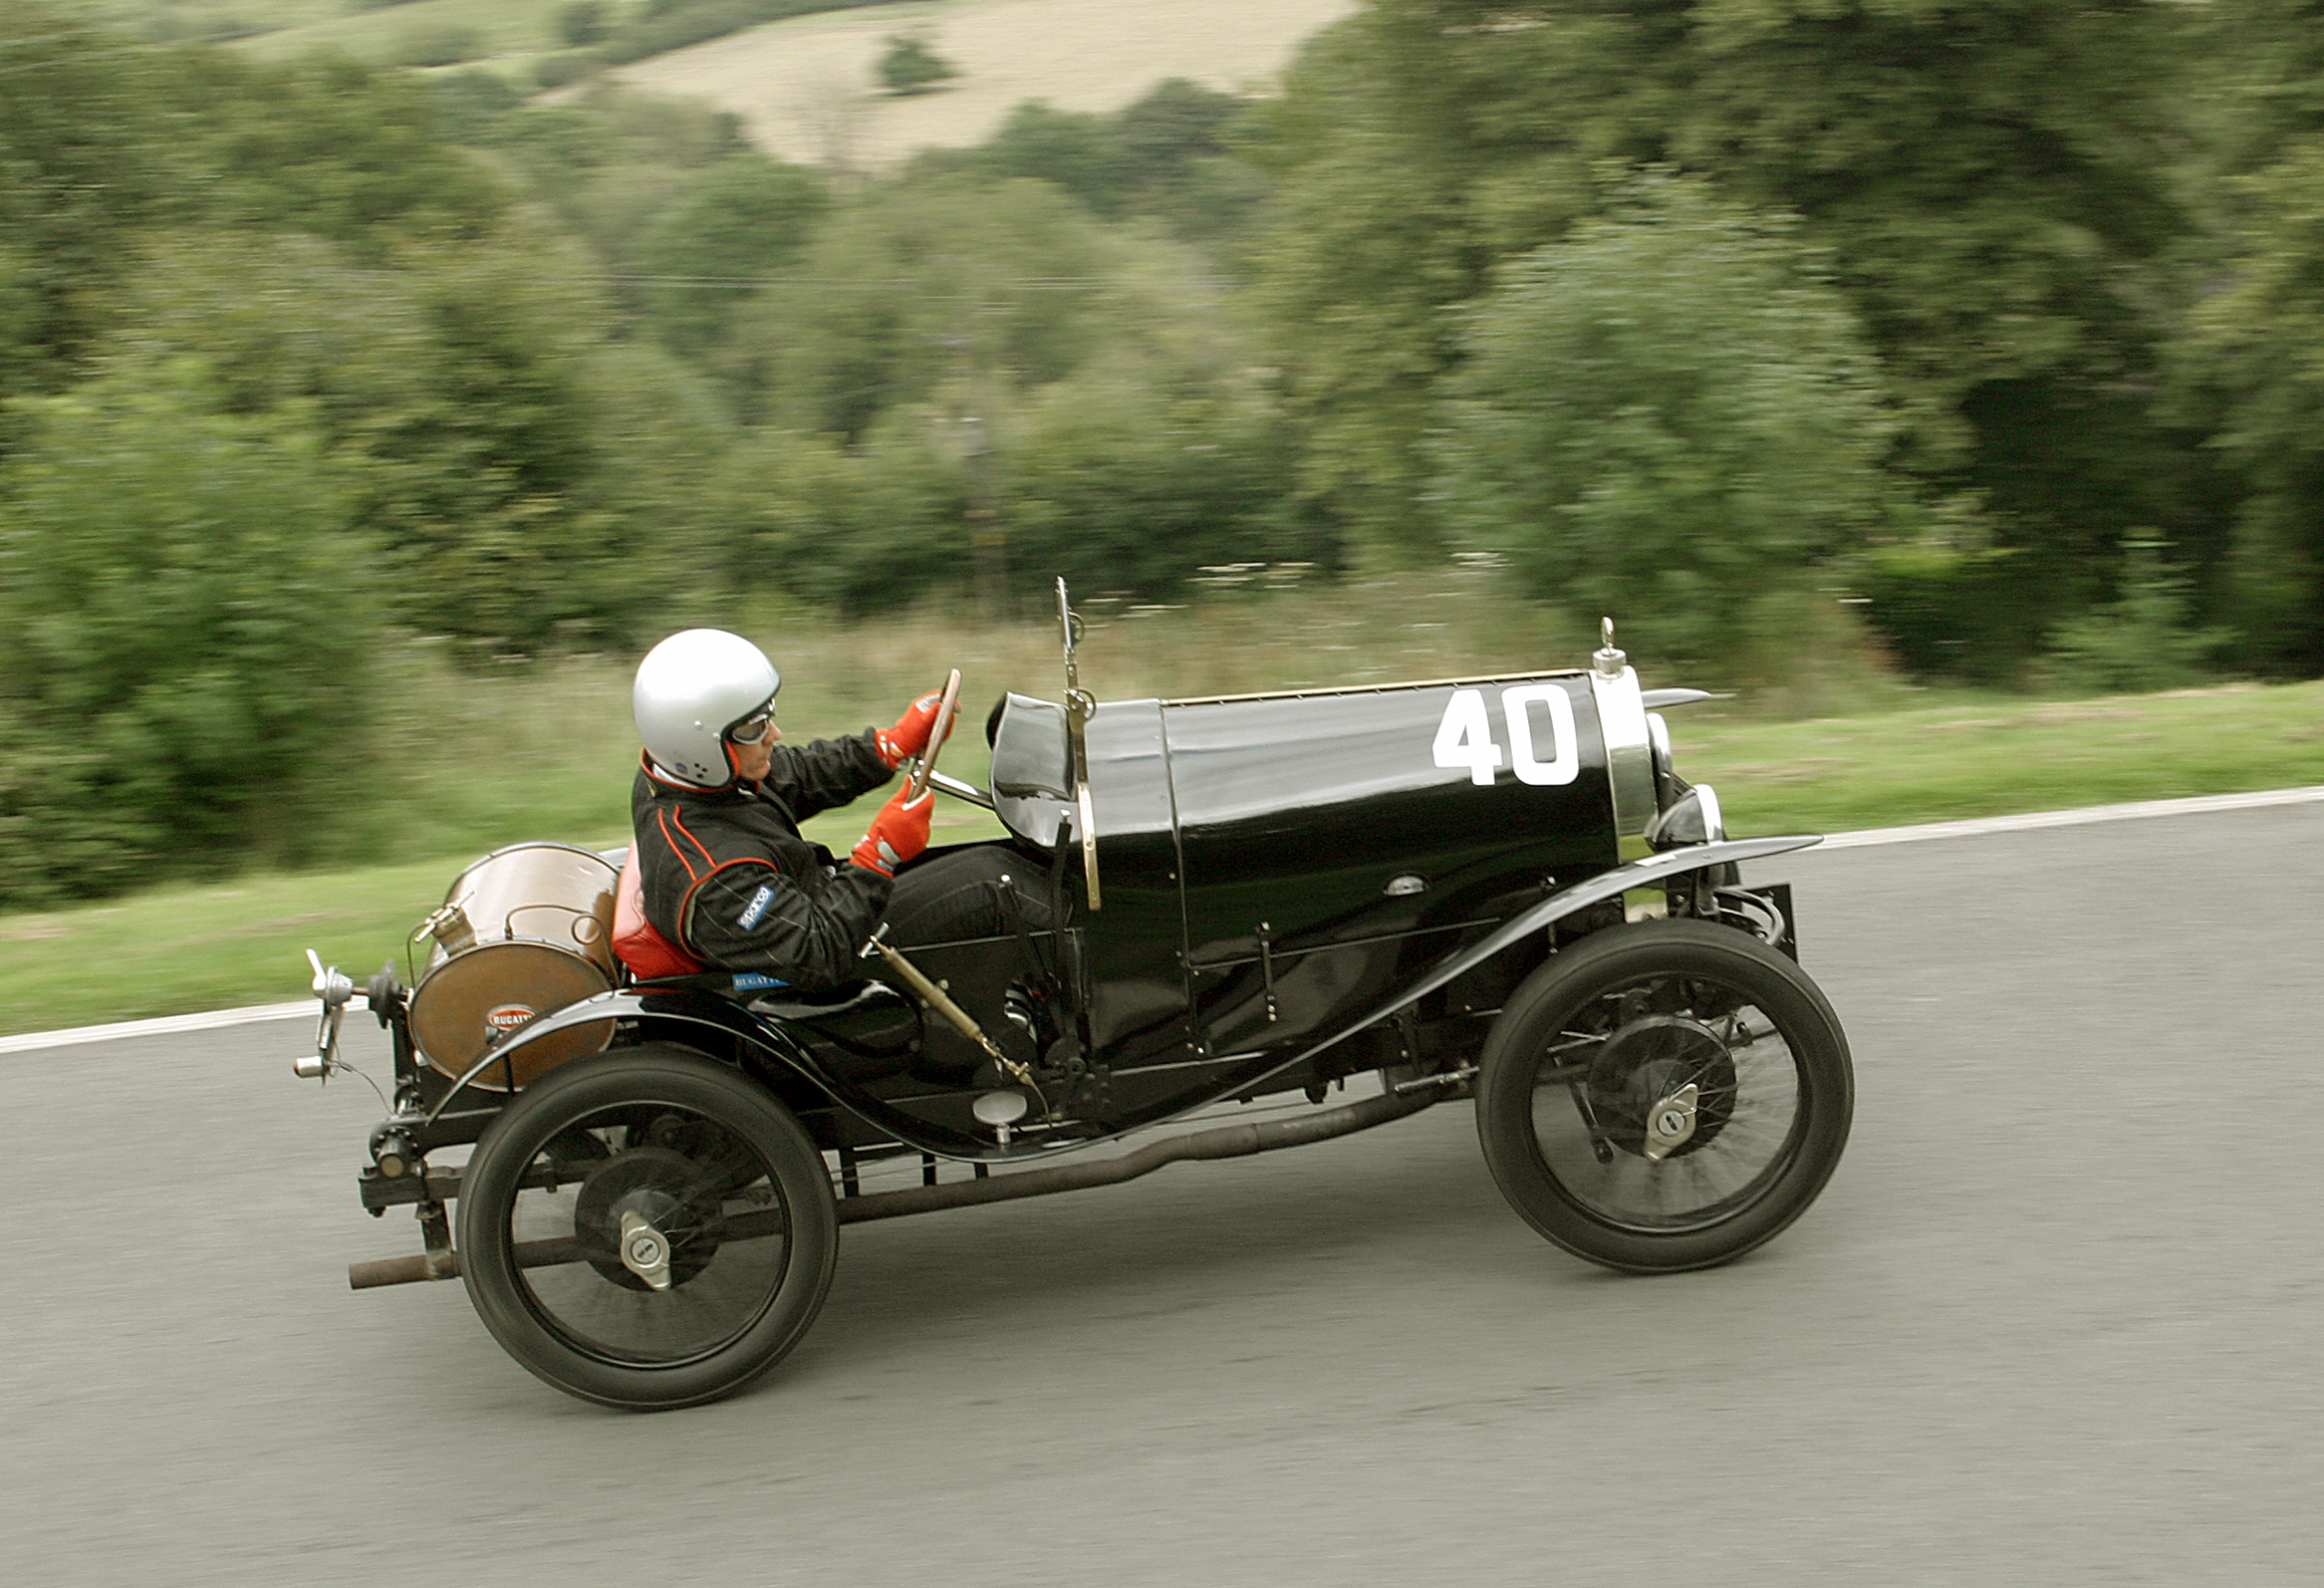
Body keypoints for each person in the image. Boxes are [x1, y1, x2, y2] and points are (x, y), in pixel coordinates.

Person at [626, 628, 1041, 993]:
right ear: (700, 744)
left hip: (818, 906)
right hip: (824, 952)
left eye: (766, 718)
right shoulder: (715, 882)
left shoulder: (696, 783)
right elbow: (816, 952)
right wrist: (878, 855)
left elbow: (798, 773)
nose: (773, 734)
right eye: (753, 728)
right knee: (997, 883)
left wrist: (887, 747)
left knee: (1012, 857)